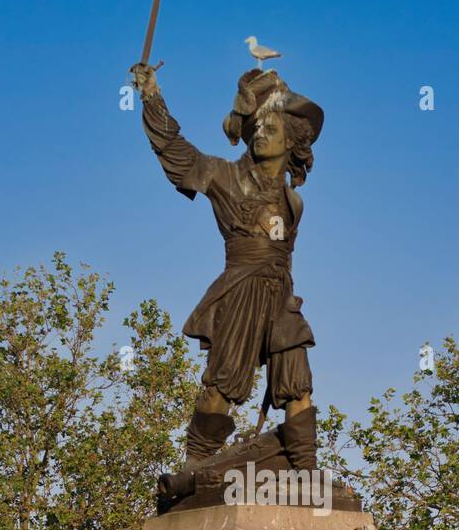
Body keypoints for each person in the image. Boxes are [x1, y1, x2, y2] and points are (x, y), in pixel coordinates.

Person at [130, 62, 324, 472]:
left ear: (292, 139)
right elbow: (176, 151)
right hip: (241, 289)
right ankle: (196, 464)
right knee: (224, 383)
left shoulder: (295, 202)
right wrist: (151, 96)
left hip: (281, 293)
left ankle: (307, 472)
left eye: (270, 127)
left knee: (296, 380)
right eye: (254, 127)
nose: (259, 133)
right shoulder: (225, 176)